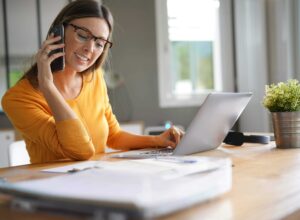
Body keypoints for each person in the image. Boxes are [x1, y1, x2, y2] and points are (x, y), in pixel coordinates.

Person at [1, 0, 183, 164]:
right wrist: (48, 86)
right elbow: (81, 151)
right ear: (58, 32)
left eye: (99, 43)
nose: (90, 48)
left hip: (97, 182)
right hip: (53, 191)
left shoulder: (94, 78)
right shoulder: (17, 99)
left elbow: (114, 136)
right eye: (82, 35)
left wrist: (158, 141)